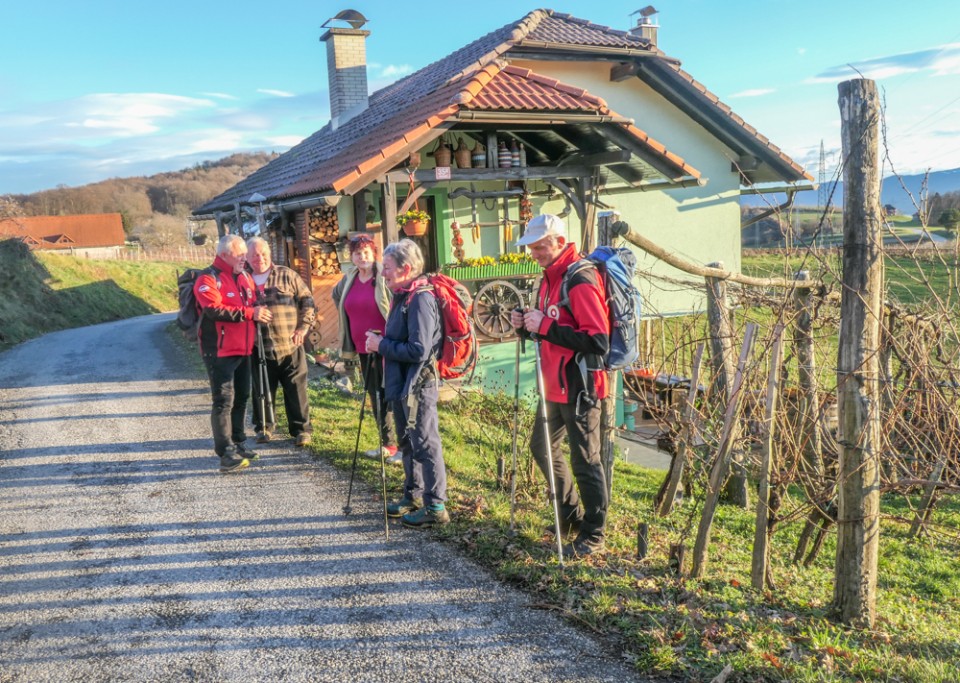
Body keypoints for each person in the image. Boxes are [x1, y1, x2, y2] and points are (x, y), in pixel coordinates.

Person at [510, 214, 610, 557]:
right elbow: (549, 324)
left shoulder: (579, 279)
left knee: (585, 460)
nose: (534, 252)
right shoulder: (550, 277)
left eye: (540, 245)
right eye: (531, 247)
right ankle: (569, 516)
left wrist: (546, 328)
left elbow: (598, 340)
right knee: (542, 447)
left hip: (580, 384)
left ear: (559, 241)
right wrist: (526, 325)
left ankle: (594, 534)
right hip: (553, 383)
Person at [364, 239, 449, 528]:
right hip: (402, 382)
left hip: (419, 384)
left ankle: (436, 506)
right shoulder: (403, 295)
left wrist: (381, 344)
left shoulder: (421, 299)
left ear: (406, 269)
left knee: (425, 442)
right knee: (407, 441)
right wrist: (383, 339)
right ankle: (411, 496)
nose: (382, 273)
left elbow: (419, 350)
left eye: (387, 268)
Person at [195, 234, 272, 473]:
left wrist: (260, 311)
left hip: (244, 348)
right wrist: (251, 314)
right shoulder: (208, 278)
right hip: (219, 351)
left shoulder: (246, 277)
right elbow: (214, 310)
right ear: (224, 254)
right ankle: (226, 453)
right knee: (223, 402)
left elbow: (252, 305)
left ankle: (239, 442)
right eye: (240, 254)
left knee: (241, 398)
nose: (244, 258)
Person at [331, 235, 399, 463]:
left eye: (367, 252)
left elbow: (396, 302)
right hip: (362, 347)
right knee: (374, 393)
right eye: (358, 253)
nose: (363, 257)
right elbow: (336, 295)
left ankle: (403, 448)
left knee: (391, 394)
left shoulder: (383, 276)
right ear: (351, 256)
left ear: (374, 254)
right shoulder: (349, 278)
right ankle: (388, 444)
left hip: (386, 347)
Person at [246, 237, 317, 448]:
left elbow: (308, 301)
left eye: (263, 254)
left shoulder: (286, 274)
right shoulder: (244, 279)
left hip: (290, 344)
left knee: (296, 390)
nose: (260, 258)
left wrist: (303, 328)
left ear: (270, 254)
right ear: (248, 258)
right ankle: (264, 428)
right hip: (258, 347)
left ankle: (301, 430)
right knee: (261, 389)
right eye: (255, 255)